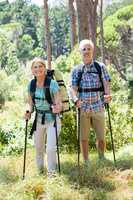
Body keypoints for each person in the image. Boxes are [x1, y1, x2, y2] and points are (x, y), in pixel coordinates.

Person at [70, 39, 111, 164]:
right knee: (84, 138)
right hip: (84, 107)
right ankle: (86, 161)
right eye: (84, 49)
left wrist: (108, 95)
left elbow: (106, 82)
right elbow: (72, 88)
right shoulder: (77, 70)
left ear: (92, 51)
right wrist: (75, 100)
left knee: (101, 137)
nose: (86, 51)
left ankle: (101, 158)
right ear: (80, 52)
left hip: (98, 105)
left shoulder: (100, 67)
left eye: (89, 49)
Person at [25, 57, 62, 175]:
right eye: (35, 67)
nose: (38, 69)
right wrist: (28, 112)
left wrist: (57, 107)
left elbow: (59, 102)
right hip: (39, 120)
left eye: (40, 66)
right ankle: (40, 172)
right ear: (32, 70)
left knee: (50, 148)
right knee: (38, 148)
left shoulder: (52, 84)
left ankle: (52, 174)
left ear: (45, 69)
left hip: (53, 119)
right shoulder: (31, 85)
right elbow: (30, 104)